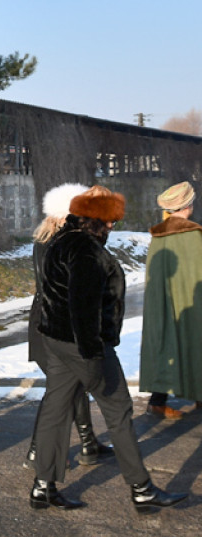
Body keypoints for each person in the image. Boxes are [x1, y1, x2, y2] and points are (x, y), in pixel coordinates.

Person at [31, 185, 187, 513]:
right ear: (96, 219)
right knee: (119, 410)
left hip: (56, 341)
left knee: (55, 409)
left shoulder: (60, 240)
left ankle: (43, 487)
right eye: (110, 220)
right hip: (84, 346)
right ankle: (142, 489)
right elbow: (82, 306)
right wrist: (92, 352)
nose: (113, 225)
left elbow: (51, 294)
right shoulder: (86, 250)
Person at [24, 183, 112, 468]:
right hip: (54, 323)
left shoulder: (48, 239)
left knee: (69, 387)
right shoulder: (59, 242)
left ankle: (87, 444)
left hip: (49, 320)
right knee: (60, 390)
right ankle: (39, 452)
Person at [139, 181, 202, 419]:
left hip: (163, 301)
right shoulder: (194, 235)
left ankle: (158, 401)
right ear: (188, 205)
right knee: (195, 337)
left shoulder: (158, 236)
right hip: (191, 300)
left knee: (165, 342)